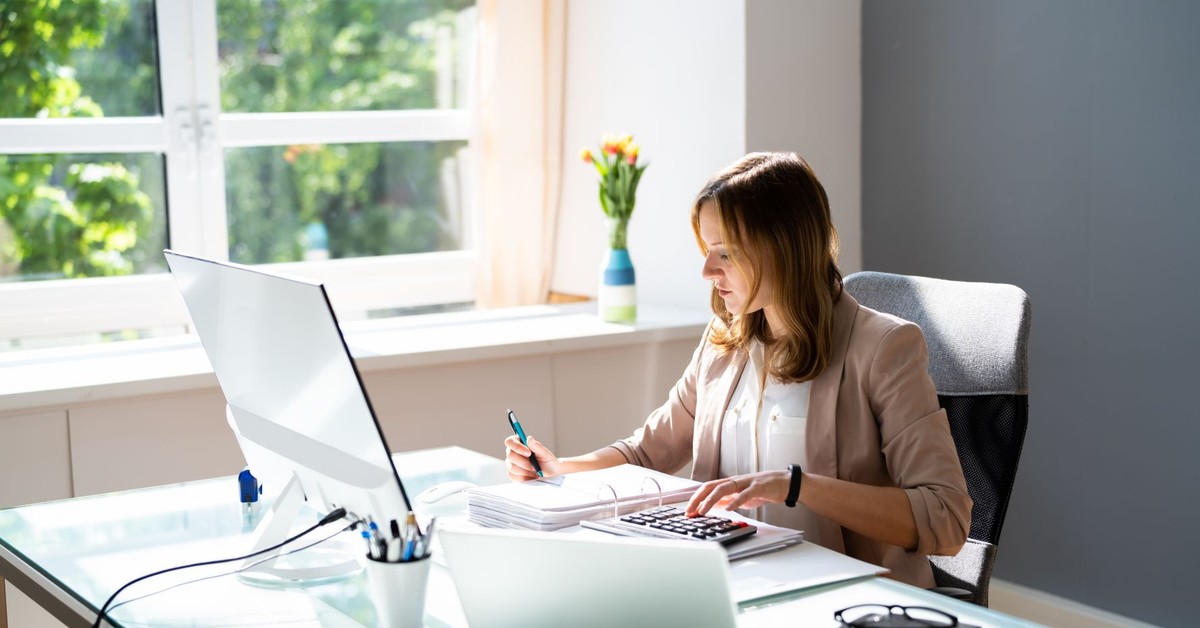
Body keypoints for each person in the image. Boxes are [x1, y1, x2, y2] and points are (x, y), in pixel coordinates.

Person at [504, 152, 971, 586]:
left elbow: (946, 518)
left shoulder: (883, 347)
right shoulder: (724, 340)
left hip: (842, 598)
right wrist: (561, 468)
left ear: (784, 247)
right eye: (707, 249)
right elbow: (647, 453)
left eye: (725, 252)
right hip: (735, 587)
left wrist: (797, 487)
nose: (707, 270)